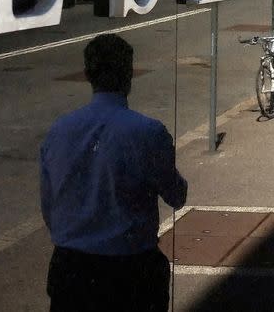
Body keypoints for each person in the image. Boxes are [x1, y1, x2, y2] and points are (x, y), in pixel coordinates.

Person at [40, 34, 187, 312]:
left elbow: (49, 205)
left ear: (87, 75)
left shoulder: (59, 130)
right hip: (129, 267)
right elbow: (176, 195)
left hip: (71, 267)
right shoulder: (147, 132)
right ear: (129, 74)